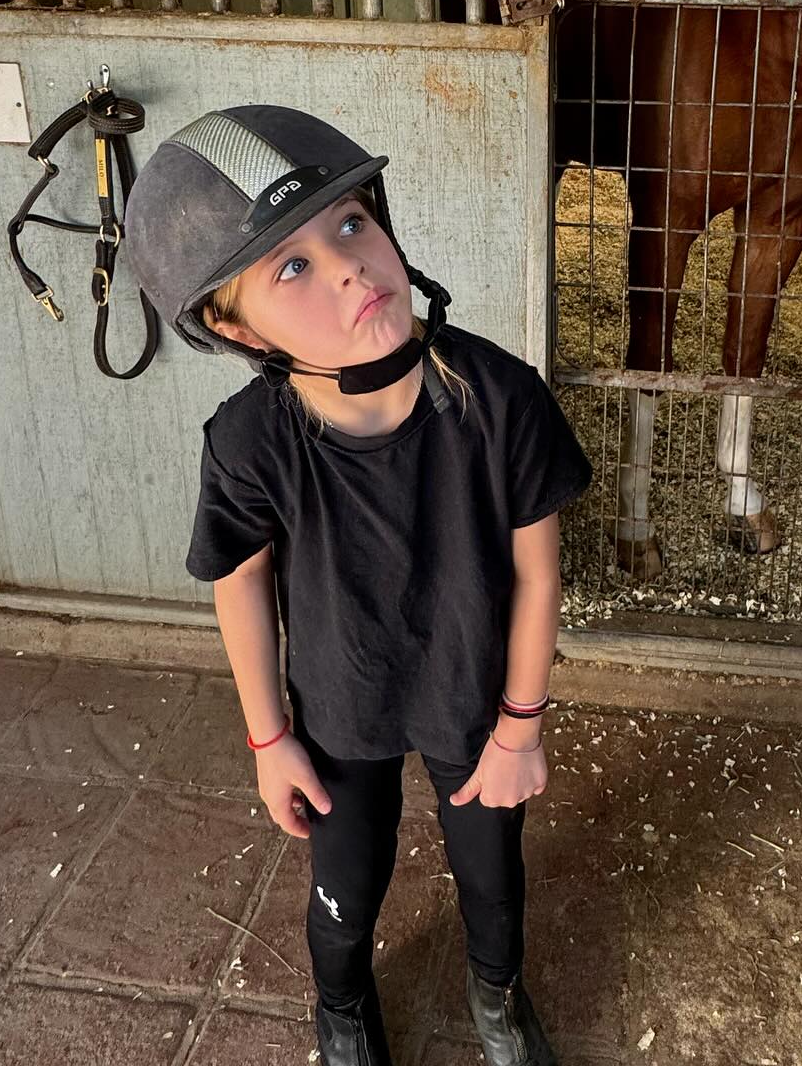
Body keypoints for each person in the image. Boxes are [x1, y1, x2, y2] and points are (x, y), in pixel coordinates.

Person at [123, 104, 592, 1066]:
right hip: (342, 709)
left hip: (475, 703)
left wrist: (521, 727)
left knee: (494, 881)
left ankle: (497, 1000)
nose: (347, 264)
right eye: (289, 267)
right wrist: (268, 738)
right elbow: (239, 584)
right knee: (345, 885)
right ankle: (341, 1006)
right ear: (231, 325)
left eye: (350, 223)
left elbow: (538, 570)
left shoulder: (499, 399)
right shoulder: (250, 444)